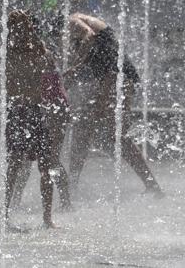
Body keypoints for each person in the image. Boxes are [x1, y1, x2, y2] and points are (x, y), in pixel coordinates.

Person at [63, 12, 162, 198]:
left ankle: (72, 186)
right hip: (112, 79)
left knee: (111, 135)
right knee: (91, 131)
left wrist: (76, 65)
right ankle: (72, 186)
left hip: (116, 78)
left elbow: (89, 36)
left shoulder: (73, 18)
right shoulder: (84, 26)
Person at [0, 10, 61, 228]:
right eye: (15, 27)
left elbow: (47, 57)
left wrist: (27, 23)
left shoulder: (35, 50)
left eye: (24, 27)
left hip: (36, 111)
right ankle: (5, 215)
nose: (20, 31)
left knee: (45, 166)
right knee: (14, 165)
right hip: (17, 112)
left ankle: (47, 218)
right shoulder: (9, 51)